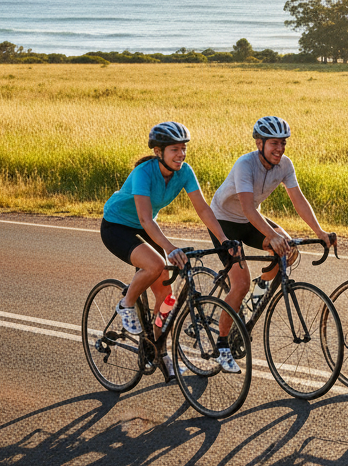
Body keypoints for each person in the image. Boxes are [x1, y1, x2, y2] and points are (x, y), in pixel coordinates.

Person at [100, 121, 243, 376]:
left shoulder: (184, 172)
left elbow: (202, 209)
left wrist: (223, 239)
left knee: (166, 299)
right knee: (155, 265)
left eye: (183, 149)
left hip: (146, 225)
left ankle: (159, 350)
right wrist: (170, 248)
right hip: (117, 225)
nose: (181, 154)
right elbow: (145, 218)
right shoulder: (144, 172)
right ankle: (126, 303)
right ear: (159, 152)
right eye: (174, 149)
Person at [208, 116, 334, 333]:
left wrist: (319, 231)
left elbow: (298, 200)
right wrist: (273, 236)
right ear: (260, 143)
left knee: (288, 250)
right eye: (274, 143)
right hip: (224, 221)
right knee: (240, 285)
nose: (280, 148)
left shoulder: (285, 165)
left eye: (283, 142)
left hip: (249, 220)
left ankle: (252, 298)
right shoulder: (245, 165)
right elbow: (248, 207)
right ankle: (223, 343)